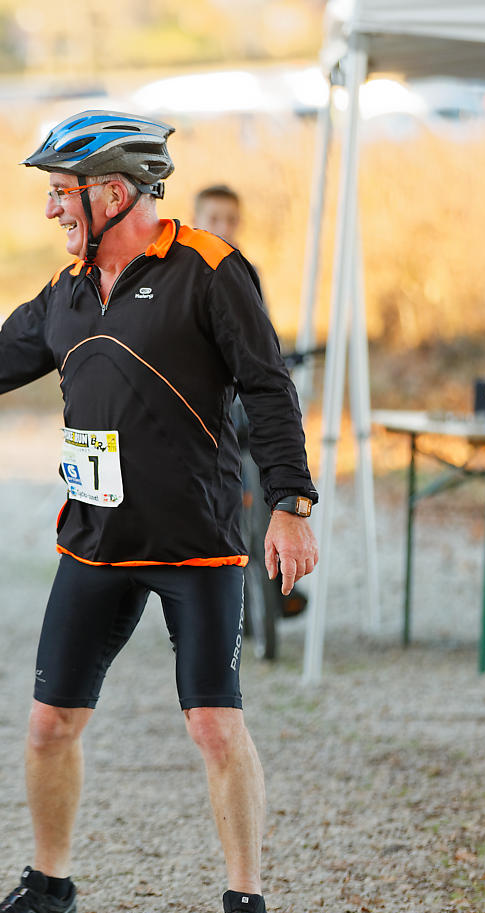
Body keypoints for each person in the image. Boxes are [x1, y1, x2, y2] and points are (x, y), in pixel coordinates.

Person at [0, 112, 319, 913]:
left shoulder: (209, 270)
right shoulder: (68, 288)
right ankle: (50, 888)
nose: (49, 210)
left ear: (112, 193)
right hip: (96, 541)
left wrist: (290, 502)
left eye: (59, 193)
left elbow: (268, 388)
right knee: (50, 725)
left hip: (195, 544)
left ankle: (247, 906)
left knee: (215, 725)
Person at [191, 183, 308, 622]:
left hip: (243, 405)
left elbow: (263, 339)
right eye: (214, 219)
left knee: (277, 467)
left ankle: (278, 575)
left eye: (231, 220)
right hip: (201, 408)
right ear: (196, 220)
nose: (223, 227)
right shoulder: (180, 272)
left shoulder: (245, 271)